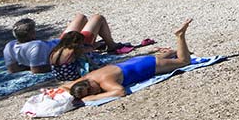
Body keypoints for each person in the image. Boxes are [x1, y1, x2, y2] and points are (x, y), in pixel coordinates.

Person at [63, 19, 194, 102]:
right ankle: (173, 52)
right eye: (89, 93)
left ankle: (180, 36)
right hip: (136, 61)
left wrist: (92, 98)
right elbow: (64, 86)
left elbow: (120, 92)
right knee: (163, 58)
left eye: (90, 90)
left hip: (148, 66)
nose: (92, 91)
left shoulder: (105, 83)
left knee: (184, 61)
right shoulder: (88, 77)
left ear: (88, 84)